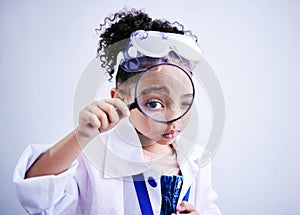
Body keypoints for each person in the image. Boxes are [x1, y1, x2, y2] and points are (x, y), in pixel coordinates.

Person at [13, 8, 222, 215]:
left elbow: (209, 208)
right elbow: (35, 193)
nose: (174, 120)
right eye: (155, 103)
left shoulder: (196, 157)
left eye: (185, 103)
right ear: (120, 99)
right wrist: (81, 135)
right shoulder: (94, 157)